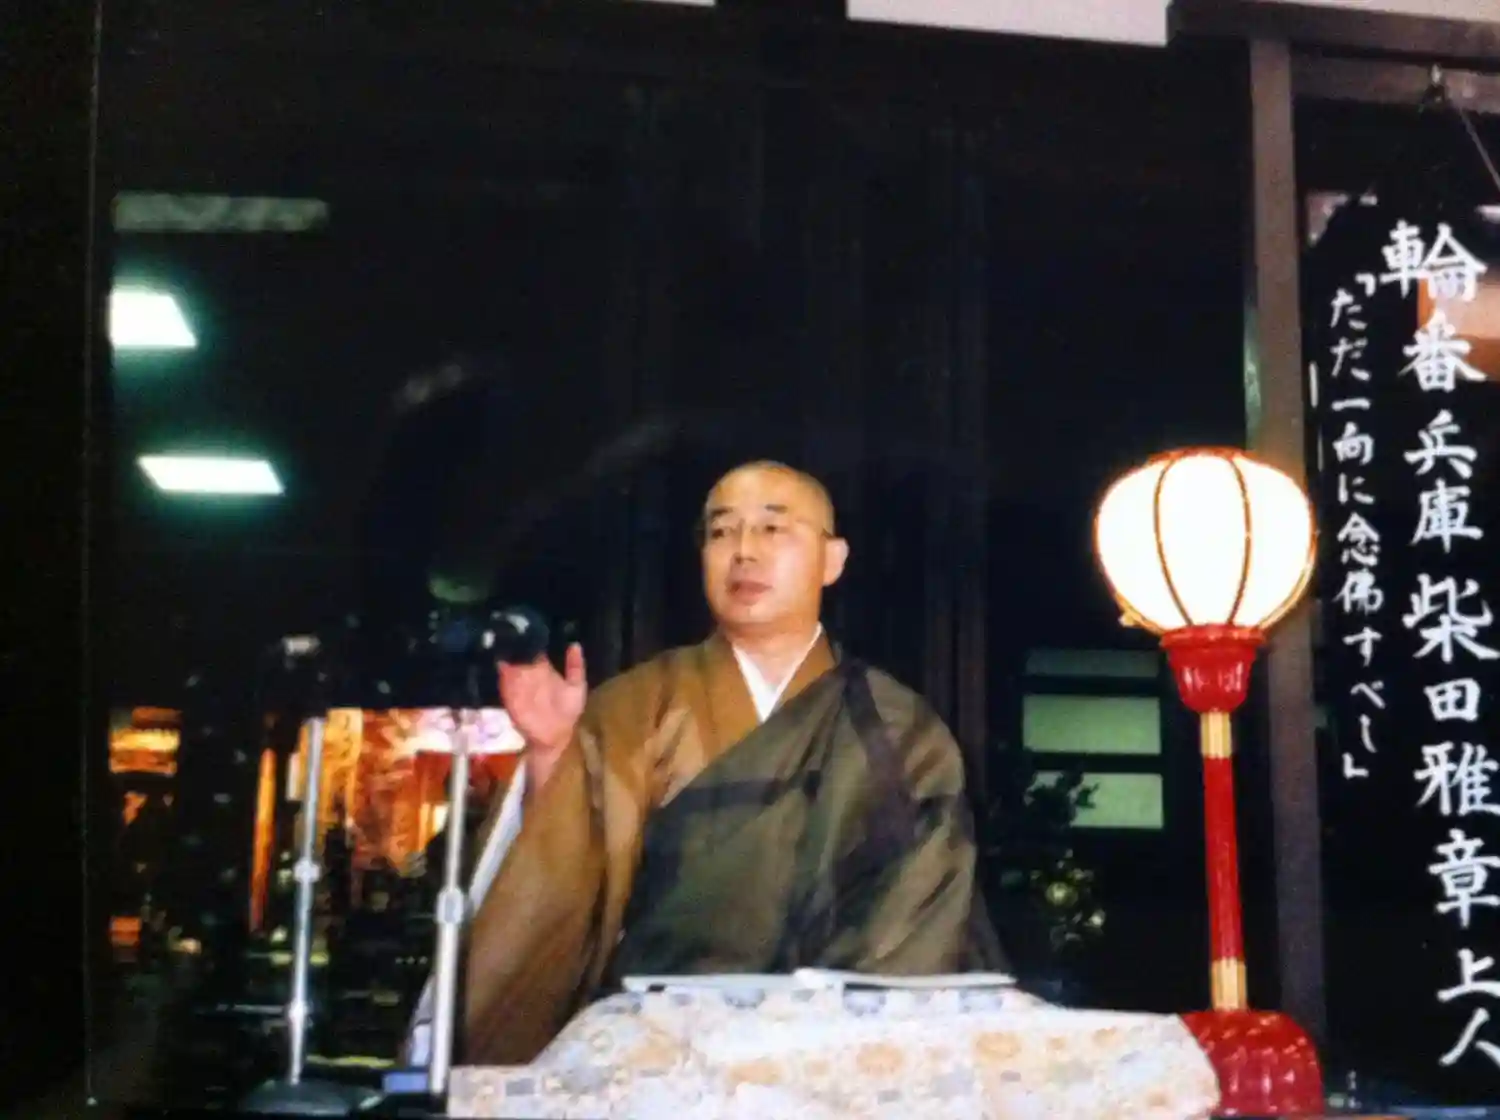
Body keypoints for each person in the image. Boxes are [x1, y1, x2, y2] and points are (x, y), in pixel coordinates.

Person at [461, 461, 1000, 1065]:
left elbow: (920, 911)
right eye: (721, 532)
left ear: (832, 560)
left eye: (773, 529)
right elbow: (557, 893)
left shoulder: (899, 730)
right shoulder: (638, 708)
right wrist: (551, 755)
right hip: (657, 1056)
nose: (744, 551)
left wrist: (816, 1043)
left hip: (832, 1057)